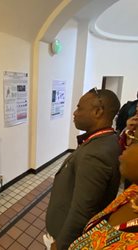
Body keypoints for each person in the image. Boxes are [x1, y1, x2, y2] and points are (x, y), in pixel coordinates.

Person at [44, 88, 121, 250]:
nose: (74, 113)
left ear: (98, 112)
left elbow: (82, 211)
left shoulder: (95, 154)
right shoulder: (108, 140)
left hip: (66, 239)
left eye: (79, 108)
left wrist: (61, 245)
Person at [68, 133, 138, 249]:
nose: (126, 143)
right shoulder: (132, 192)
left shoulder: (97, 153)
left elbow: (84, 207)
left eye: (135, 140)